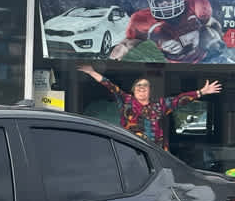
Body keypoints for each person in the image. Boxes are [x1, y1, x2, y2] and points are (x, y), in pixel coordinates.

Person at [76, 64, 221, 151]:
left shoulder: (159, 105)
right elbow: (110, 86)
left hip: (155, 152)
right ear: (133, 90)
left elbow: (179, 100)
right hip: (130, 148)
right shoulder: (126, 101)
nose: (142, 88)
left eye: (145, 85)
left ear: (150, 90)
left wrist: (201, 92)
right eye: (139, 85)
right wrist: (91, 72)